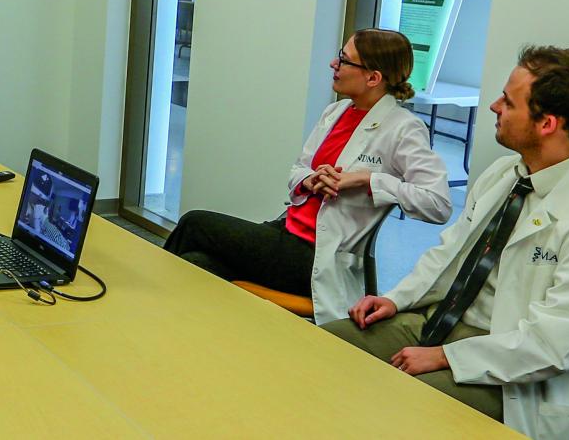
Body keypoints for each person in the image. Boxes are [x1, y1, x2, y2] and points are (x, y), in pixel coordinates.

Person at [322, 46, 569, 439]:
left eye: (508, 101)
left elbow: (551, 347)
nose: (493, 106)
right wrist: (396, 298)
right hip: (438, 322)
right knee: (328, 347)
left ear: (547, 124)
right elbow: (448, 252)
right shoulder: (506, 174)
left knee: (401, 406)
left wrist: (445, 357)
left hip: (515, 373)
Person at [164, 29, 452, 324]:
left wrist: (367, 180)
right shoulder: (336, 112)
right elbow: (298, 170)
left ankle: (150, 317)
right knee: (197, 264)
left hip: (316, 257)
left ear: (373, 78)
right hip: (286, 232)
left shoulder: (403, 128)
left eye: (344, 60)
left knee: (195, 224)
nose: (333, 64)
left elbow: (438, 203)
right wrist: (310, 179)